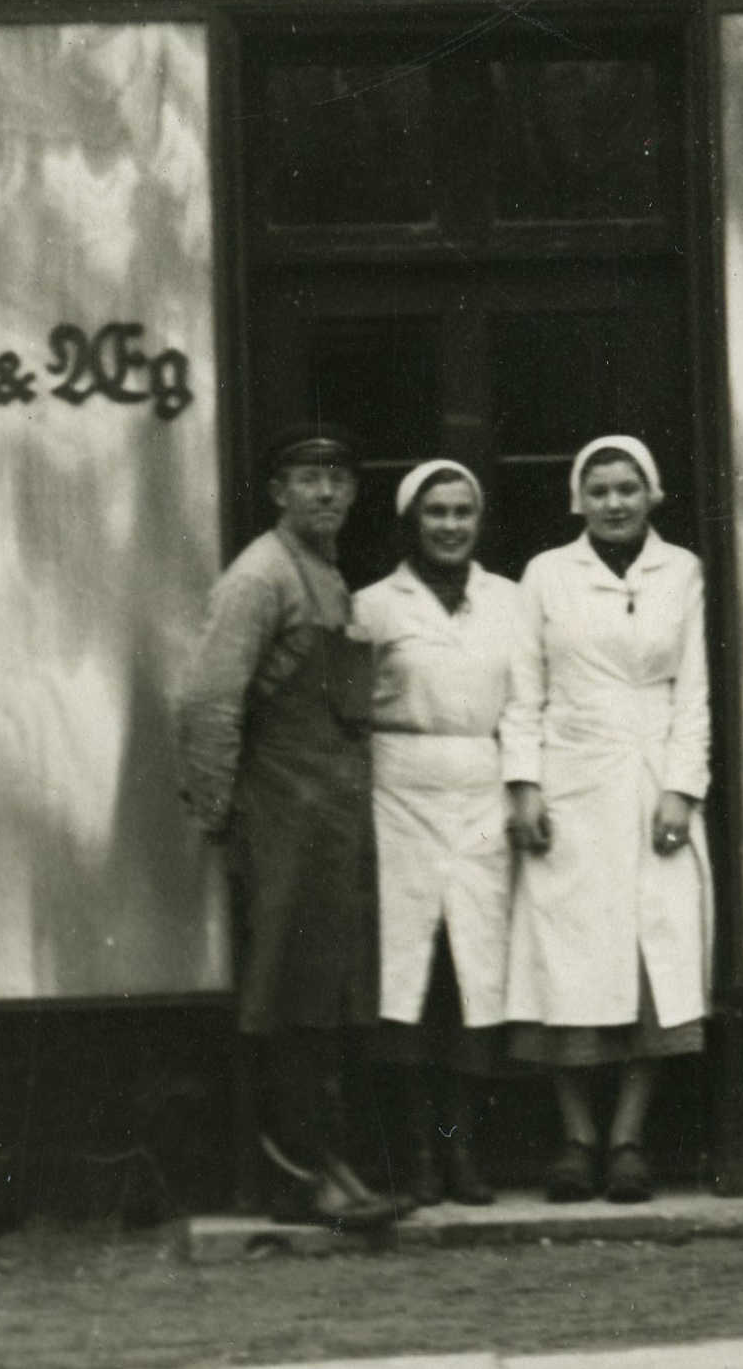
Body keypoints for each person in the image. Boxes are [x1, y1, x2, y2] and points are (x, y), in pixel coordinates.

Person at [177, 422, 398, 1229]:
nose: (327, 492)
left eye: (339, 478)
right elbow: (207, 698)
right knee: (285, 994)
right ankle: (299, 1173)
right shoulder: (260, 576)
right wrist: (221, 811)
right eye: (309, 478)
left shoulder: (328, 576)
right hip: (281, 817)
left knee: (326, 993)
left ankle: (333, 1161)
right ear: (279, 492)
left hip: (330, 818)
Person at [500, 431, 712, 1204]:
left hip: (654, 777)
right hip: (570, 780)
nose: (614, 503)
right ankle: (575, 1137)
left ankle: (627, 1138)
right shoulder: (547, 575)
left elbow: (693, 691)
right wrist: (523, 783)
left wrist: (681, 789)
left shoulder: (680, 570)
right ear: (578, 500)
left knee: (651, 952)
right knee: (567, 956)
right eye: (600, 491)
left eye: (628, 488)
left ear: (651, 494)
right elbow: (523, 689)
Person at [354, 456, 534, 1206]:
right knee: (409, 977)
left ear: (479, 520)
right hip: (397, 789)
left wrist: (524, 787)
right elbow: (351, 710)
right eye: (437, 512)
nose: (451, 525)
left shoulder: (511, 601)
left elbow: (525, 703)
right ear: (412, 522)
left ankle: (464, 1158)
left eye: (463, 511)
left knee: (471, 979)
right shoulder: (373, 605)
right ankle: (416, 1160)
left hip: (482, 791)